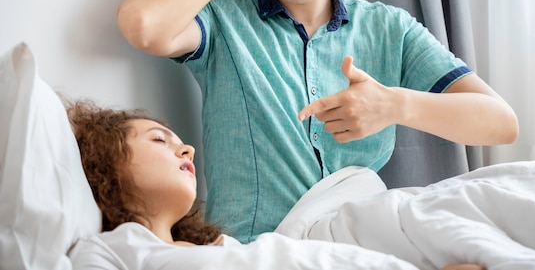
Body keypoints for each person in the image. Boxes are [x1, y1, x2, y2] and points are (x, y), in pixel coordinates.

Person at [116, 0, 519, 243]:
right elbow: (141, 25)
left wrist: (394, 105)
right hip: (256, 253)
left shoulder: (388, 28)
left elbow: (501, 123)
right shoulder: (223, 22)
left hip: (362, 248)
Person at [65, 99, 481, 270]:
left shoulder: (222, 249)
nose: (187, 148)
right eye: (159, 140)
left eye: (178, 139)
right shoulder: (110, 250)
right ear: (109, 165)